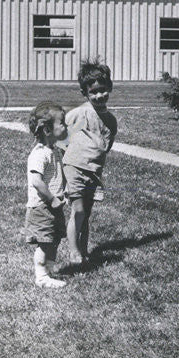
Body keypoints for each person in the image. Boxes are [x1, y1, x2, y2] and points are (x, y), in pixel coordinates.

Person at [61, 59, 118, 265]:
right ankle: (73, 252)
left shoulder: (110, 120)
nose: (99, 95)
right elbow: (60, 136)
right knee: (78, 211)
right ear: (85, 93)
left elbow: (106, 145)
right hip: (75, 168)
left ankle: (84, 251)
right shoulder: (79, 113)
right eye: (93, 92)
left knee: (86, 214)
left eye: (102, 90)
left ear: (109, 88)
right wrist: (67, 159)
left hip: (94, 172)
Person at [23, 101, 69, 288]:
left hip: (54, 204)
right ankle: (41, 276)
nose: (66, 126)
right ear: (48, 130)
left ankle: (49, 271)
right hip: (42, 206)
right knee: (44, 242)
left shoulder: (54, 150)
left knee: (54, 239)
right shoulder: (39, 154)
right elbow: (36, 181)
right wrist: (52, 199)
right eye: (62, 123)